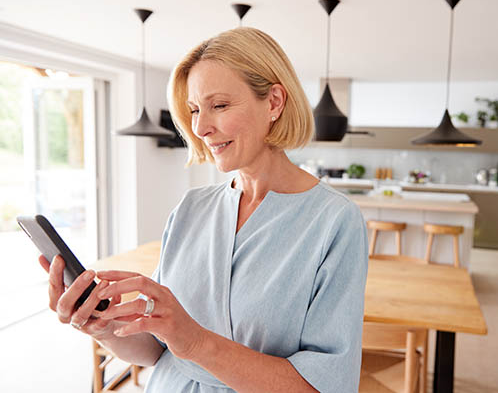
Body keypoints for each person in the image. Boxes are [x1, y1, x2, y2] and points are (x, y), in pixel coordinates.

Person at [40, 27, 369, 392]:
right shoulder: (191, 208)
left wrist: (195, 340)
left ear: (274, 102)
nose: (199, 127)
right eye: (195, 109)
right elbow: (156, 350)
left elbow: (324, 386)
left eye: (220, 105)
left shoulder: (335, 222)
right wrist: (104, 327)